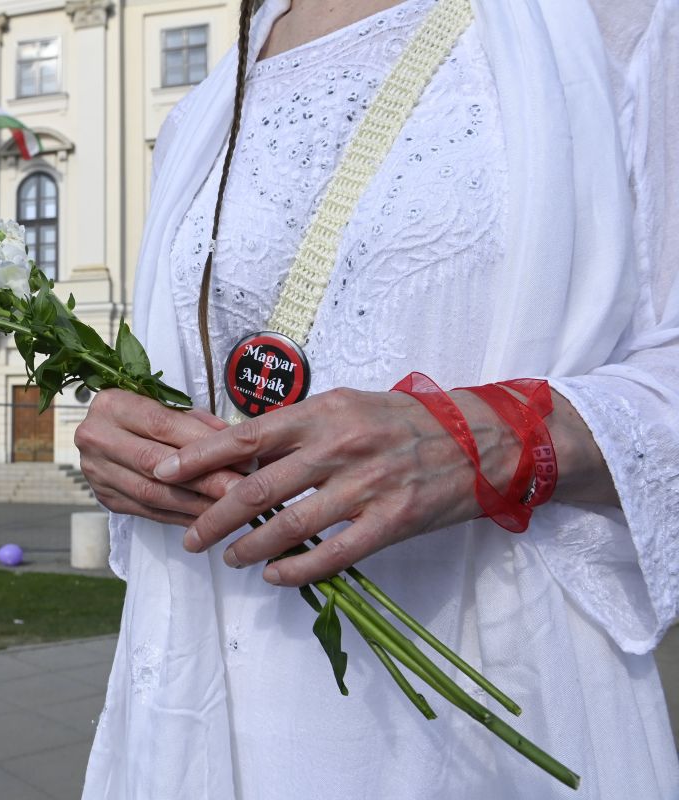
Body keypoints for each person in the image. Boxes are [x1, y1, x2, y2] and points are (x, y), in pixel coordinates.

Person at [77, 0, 679, 798]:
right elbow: (193, 368)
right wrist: (130, 445)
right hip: (204, 703)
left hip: (476, 715)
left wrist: (493, 440)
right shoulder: (208, 100)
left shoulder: (621, 19)